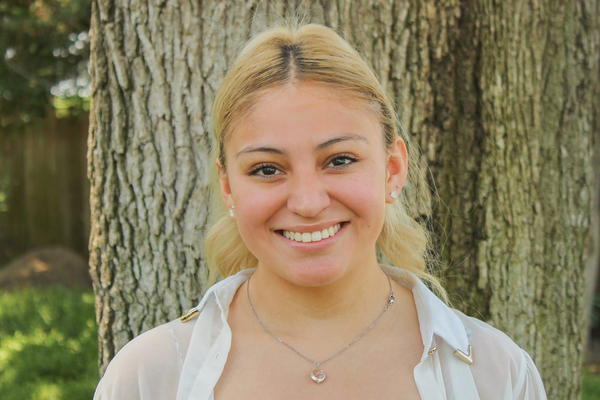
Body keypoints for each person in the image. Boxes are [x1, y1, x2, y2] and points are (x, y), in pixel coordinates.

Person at [93, 23, 547, 400]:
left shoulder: (493, 371)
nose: (308, 203)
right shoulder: (149, 377)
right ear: (229, 187)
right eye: (267, 168)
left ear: (392, 169)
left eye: (340, 160)